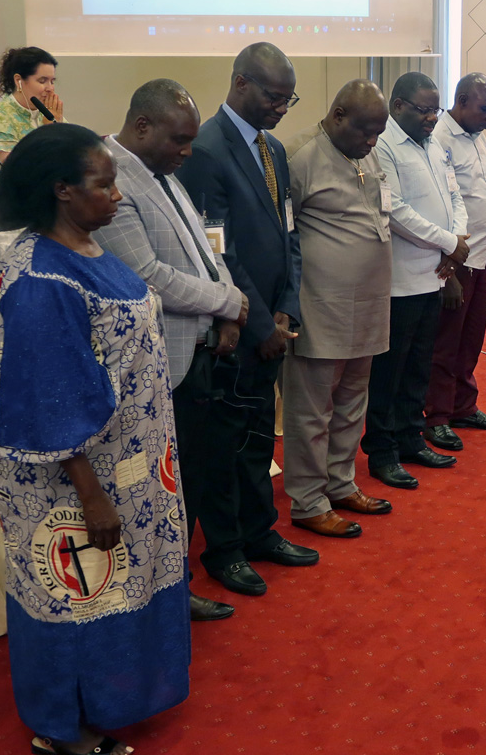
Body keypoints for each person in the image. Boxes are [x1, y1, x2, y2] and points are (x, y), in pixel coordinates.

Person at [0, 123, 187, 755]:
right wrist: (91, 496)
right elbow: (48, 397)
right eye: (104, 183)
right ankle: (62, 730)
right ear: (63, 190)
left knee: (118, 581)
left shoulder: (84, 245)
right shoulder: (42, 277)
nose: (117, 195)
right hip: (68, 470)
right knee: (74, 590)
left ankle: (112, 696)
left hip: (126, 457)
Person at [93, 79, 248, 622]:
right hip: (160, 361)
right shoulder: (111, 179)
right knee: (164, 488)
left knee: (198, 477)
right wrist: (227, 301)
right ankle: (162, 596)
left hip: (198, 350)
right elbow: (147, 277)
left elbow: (206, 245)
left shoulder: (162, 172)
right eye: (180, 140)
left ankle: (176, 585)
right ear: (141, 127)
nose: (188, 152)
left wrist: (227, 303)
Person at [173, 44, 320, 593]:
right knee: (226, 446)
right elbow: (218, 253)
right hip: (235, 333)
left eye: (289, 98)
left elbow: (289, 234)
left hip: (272, 320)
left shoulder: (274, 149)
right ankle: (225, 549)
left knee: (260, 439)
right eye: (274, 97)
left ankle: (261, 532)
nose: (283, 107)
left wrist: (287, 309)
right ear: (240, 84)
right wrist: (260, 324)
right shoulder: (208, 149)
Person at [282, 79, 395, 536]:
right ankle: (308, 501)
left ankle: (340, 481)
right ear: (338, 115)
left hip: (368, 301)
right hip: (320, 304)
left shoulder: (368, 150)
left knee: (352, 399)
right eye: (365, 131)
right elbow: (283, 238)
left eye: (378, 134)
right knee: (312, 407)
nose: (371, 142)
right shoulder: (299, 156)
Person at [365, 72, 469, 489]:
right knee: (390, 372)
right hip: (401, 279)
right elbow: (395, 211)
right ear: (398, 107)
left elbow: (454, 195)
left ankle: (411, 438)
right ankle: (382, 451)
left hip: (435, 274)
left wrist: (455, 240)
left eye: (435, 110)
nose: (432, 118)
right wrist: (449, 242)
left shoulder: (435, 144)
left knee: (418, 367)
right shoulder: (384, 146)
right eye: (424, 110)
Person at [424, 73, 486, 453]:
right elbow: (442, 207)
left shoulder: (476, 135)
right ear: (460, 101)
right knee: (446, 342)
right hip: (455, 261)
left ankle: (463, 406)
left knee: (472, 339)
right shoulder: (439, 139)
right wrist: (449, 270)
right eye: (485, 109)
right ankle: (436, 416)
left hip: (481, 257)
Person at [0, 47, 65, 164]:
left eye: (52, 81)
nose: (50, 88)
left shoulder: (50, 115)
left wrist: (58, 128)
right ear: (18, 81)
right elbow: (17, 169)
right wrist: (49, 131)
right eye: (42, 81)